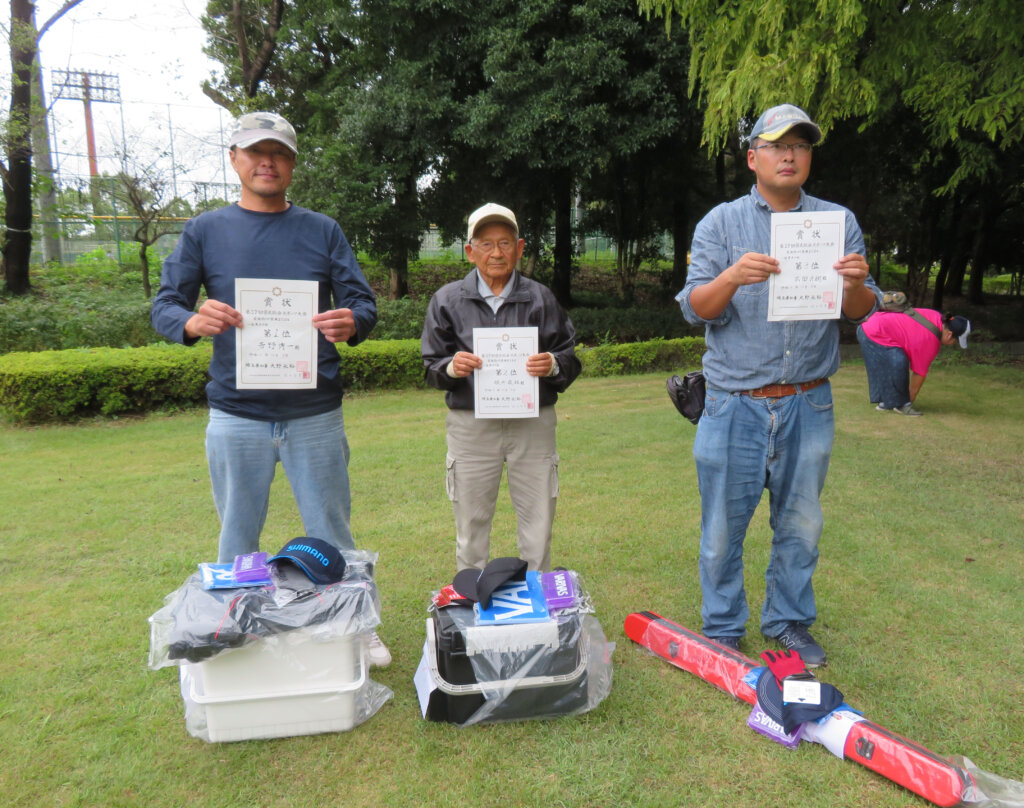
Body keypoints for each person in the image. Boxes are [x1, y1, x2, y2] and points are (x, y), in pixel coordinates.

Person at [151, 112, 390, 666]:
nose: (267, 162)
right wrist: (190, 322)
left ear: (292, 165)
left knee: (331, 529)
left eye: (279, 153)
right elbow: (166, 303)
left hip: (314, 412)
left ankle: (356, 625)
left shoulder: (321, 229)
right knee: (237, 533)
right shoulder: (206, 230)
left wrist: (352, 321)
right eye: (256, 151)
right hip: (237, 413)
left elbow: (363, 303)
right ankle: (229, 630)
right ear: (233, 158)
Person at [676, 104, 883, 666]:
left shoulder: (835, 222)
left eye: (800, 145)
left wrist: (857, 284)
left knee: (801, 525)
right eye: (775, 145)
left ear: (810, 157)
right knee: (721, 526)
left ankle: (788, 621)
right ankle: (722, 627)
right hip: (733, 404)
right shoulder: (720, 224)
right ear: (753, 158)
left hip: (808, 402)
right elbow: (696, 310)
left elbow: (862, 313)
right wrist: (731, 276)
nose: (789, 154)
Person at [421, 203, 581, 572]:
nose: (496, 253)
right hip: (472, 425)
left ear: (520, 248)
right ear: (470, 250)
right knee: (471, 523)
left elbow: (569, 356)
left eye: (505, 243)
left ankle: (535, 601)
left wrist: (553, 363)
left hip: (533, 422)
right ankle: (471, 602)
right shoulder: (447, 300)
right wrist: (452, 366)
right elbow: (431, 365)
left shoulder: (540, 298)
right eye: (487, 243)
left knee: (539, 520)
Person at [857, 308, 970, 415]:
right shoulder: (931, 342)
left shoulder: (935, 316)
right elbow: (919, 374)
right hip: (873, 332)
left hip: (870, 324)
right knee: (898, 362)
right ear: (949, 334)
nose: (953, 344)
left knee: (896, 359)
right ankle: (901, 405)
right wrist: (909, 401)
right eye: (955, 341)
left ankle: (888, 402)